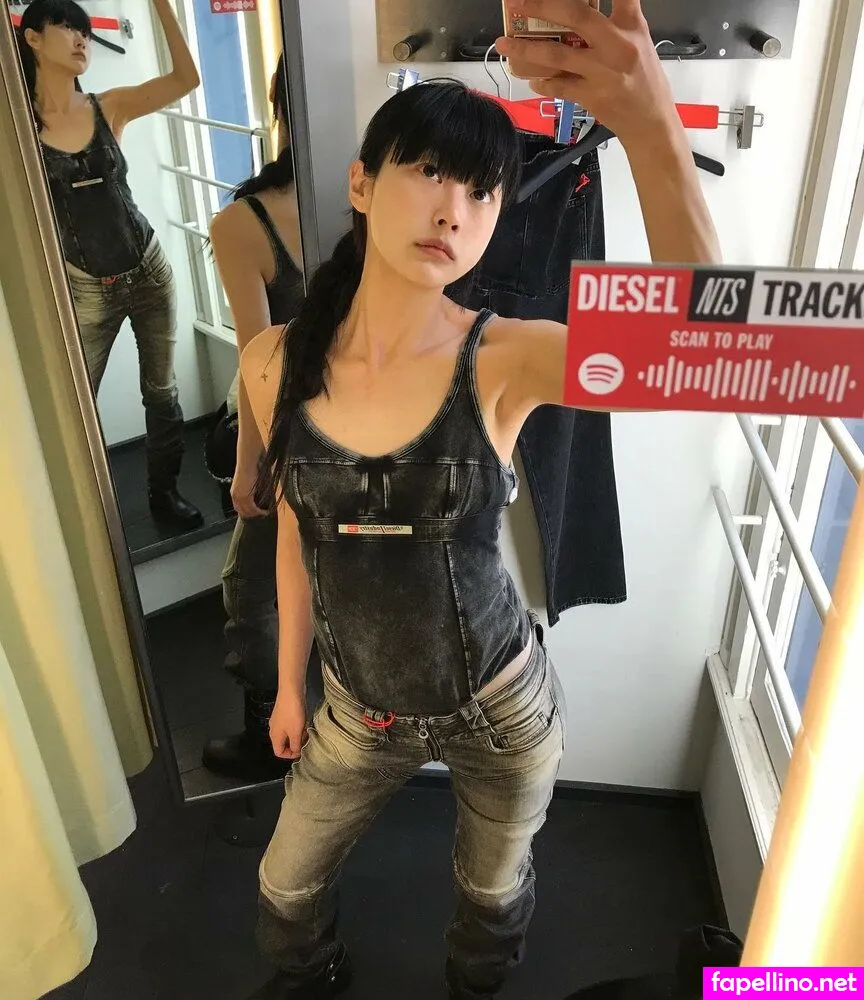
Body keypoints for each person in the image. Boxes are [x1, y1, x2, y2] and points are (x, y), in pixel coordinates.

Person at [240, 1, 721, 997]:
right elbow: (295, 533)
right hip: (355, 710)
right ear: (362, 183)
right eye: (429, 172)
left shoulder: (507, 357)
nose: (454, 209)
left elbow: (708, 357)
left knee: (492, 901)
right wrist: (290, 685)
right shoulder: (272, 362)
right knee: (282, 888)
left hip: (499, 712)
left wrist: (651, 126)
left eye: (482, 190)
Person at [17, 0, 204, 529]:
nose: (82, 39)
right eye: (67, 27)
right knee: (76, 406)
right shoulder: (18, 127)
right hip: (84, 287)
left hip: (148, 271)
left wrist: (161, 5)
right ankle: (86, 514)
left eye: (85, 30)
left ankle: (164, 495)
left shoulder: (109, 107)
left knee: (161, 393)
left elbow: (186, 79)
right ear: (32, 38)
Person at [204, 55, 323, 782]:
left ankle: (270, 735)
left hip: (295, 432)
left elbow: (257, 360)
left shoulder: (242, 223)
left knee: (251, 591)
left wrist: (252, 463)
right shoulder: (373, 202)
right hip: (367, 425)